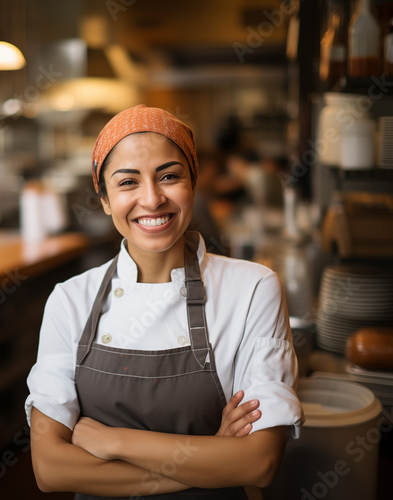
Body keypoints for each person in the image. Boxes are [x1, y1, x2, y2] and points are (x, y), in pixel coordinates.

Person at [25, 105, 304, 499]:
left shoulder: (254, 288)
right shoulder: (70, 300)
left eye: (169, 176)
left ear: (193, 183)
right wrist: (214, 457)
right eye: (127, 183)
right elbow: (50, 469)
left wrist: (114, 442)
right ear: (104, 199)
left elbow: (259, 463)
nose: (152, 199)